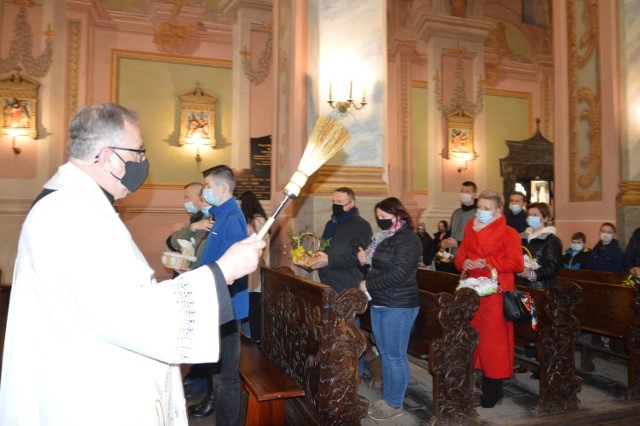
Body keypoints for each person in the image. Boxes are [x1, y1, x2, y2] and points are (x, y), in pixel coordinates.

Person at [0, 103, 266, 426]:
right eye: (139, 151)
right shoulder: (71, 216)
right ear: (109, 157)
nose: (143, 162)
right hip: (86, 399)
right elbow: (135, 316)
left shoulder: (77, 204)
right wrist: (224, 271)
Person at [188, 165, 249, 424]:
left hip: (226, 306)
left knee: (225, 376)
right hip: (212, 302)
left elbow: (232, 267)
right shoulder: (219, 215)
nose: (205, 191)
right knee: (216, 371)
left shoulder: (232, 217)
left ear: (223, 188)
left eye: (208, 186)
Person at [454, 190, 523, 408]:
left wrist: (487, 262)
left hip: (495, 293)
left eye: (486, 209)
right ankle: (472, 383)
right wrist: (464, 263)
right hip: (473, 292)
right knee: (473, 337)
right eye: (479, 208)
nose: (481, 212)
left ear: (497, 211)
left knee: (493, 342)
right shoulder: (470, 228)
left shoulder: (508, 232)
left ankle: (493, 389)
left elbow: (516, 263)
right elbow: (461, 255)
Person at [356, 197, 421, 421]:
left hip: (399, 304)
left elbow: (399, 274)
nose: (380, 221)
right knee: (385, 353)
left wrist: (368, 284)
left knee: (395, 355)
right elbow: (379, 267)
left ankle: (395, 403)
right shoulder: (383, 237)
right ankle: (389, 397)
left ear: (399, 216)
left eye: (384, 217)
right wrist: (365, 262)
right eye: (378, 218)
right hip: (380, 301)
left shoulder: (408, 239)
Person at [515, 202, 562, 379]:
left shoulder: (551, 240)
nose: (531, 217)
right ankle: (528, 359)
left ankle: (543, 363)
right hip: (522, 286)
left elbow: (553, 267)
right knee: (525, 324)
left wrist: (533, 274)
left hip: (541, 289)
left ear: (545, 218)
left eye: (535, 214)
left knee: (539, 326)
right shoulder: (523, 237)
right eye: (530, 214)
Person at [308, 187, 373, 293]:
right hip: (327, 283)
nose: (335, 205)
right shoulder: (331, 224)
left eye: (339, 202)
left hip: (347, 287)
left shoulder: (361, 226)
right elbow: (324, 251)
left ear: (351, 203)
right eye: (333, 201)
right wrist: (310, 261)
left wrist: (330, 260)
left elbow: (363, 260)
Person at [238, 190, 270, 346]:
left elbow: (258, 242)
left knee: (254, 303)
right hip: (246, 266)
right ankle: (248, 335)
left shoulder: (258, 220)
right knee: (247, 301)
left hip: (254, 266)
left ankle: (255, 337)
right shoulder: (249, 220)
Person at [167, 182, 212, 273]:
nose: (186, 202)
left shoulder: (206, 219)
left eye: (188, 197)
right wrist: (174, 235)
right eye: (185, 198)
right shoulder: (196, 218)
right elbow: (175, 243)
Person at [440, 181, 478, 273]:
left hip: (468, 260)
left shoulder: (478, 214)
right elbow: (450, 233)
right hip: (453, 257)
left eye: (467, 191)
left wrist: (458, 243)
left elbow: (478, 240)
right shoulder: (456, 213)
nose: (464, 194)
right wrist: (445, 241)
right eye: (462, 191)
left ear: (474, 194)